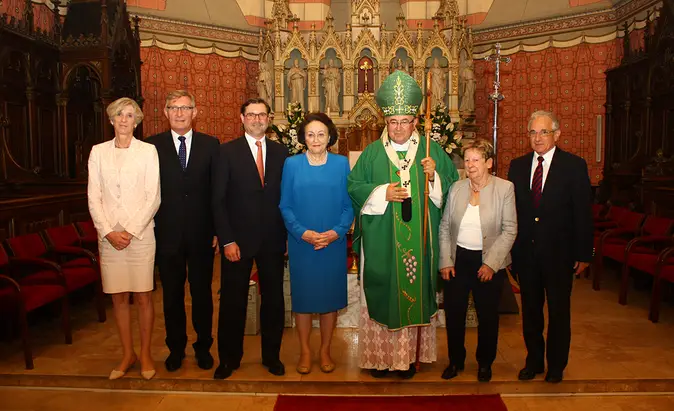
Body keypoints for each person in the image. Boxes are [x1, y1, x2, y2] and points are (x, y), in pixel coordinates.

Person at [348, 70, 459, 379]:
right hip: (382, 240)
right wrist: (381, 192)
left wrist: (434, 176)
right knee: (384, 290)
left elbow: (451, 187)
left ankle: (408, 359)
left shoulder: (430, 151)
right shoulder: (371, 153)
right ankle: (381, 360)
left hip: (418, 243)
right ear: (386, 122)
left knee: (412, 290)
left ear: (414, 122)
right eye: (392, 122)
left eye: (404, 122)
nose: (398, 128)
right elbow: (354, 186)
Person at [508, 110, 593, 383]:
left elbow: (583, 213)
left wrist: (584, 253)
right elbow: (513, 214)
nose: (537, 137)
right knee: (531, 313)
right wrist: (511, 252)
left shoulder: (574, 166)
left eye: (543, 132)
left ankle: (556, 365)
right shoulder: (517, 166)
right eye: (533, 132)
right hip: (527, 256)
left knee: (558, 313)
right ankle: (534, 362)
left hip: (560, 256)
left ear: (556, 134)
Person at [212, 98, 289, 380]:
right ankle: (229, 359)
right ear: (242, 118)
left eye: (262, 115)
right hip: (237, 242)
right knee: (232, 302)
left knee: (274, 302)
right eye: (251, 115)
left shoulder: (282, 153)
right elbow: (217, 201)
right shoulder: (226, 152)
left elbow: (287, 198)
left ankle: (272, 357)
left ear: (269, 119)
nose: (257, 119)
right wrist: (227, 239)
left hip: (272, 239)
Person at [146, 90, 220, 373]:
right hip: (167, 234)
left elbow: (217, 191)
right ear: (165, 112)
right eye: (173, 108)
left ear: (195, 112)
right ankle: (175, 349)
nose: (179, 113)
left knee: (202, 294)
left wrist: (217, 230)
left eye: (185, 107)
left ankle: (203, 347)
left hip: (202, 234)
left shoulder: (211, 145)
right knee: (172, 296)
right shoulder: (151, 147)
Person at [87, 97, 161, 380]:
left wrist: (129, 231)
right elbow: (94, 196)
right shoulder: (98, 152)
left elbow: (152, 196)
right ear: (110, 119)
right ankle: (127, 353)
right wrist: (108, 231)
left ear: (136, 121)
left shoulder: (148, 151)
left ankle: (145, 354)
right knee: (119, 297)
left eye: (129, 115)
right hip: (109, 237)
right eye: (119, 114)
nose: (123, 119)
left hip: (139, 235)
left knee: (143, 296)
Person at [279, 113, 354, 375]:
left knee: (328, 300)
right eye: (310, 134)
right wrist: (303, 233)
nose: (316, 139)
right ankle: (305, 351)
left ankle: (324, 350)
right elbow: (285, 205)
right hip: (302, 244)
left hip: (332, 244)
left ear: (330, 136)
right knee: (303, 300)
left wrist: (336, 233)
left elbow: (348, 205)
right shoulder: (291, 164)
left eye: (321, 134)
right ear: (303, 137)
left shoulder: (341, 164)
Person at [438, 139, 517, 382]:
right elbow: (444, 228)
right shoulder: (456, 188)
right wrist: (446, 260)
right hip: (459, 260)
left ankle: (485, 363)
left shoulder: (504, 188)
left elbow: (510, 229)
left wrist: (491, 264)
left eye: (476, 160)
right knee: (454, 313)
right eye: (467, 159)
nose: (470, 165)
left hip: (489, 262)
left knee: (488, 316)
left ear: (489, 163)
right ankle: (455, 360)